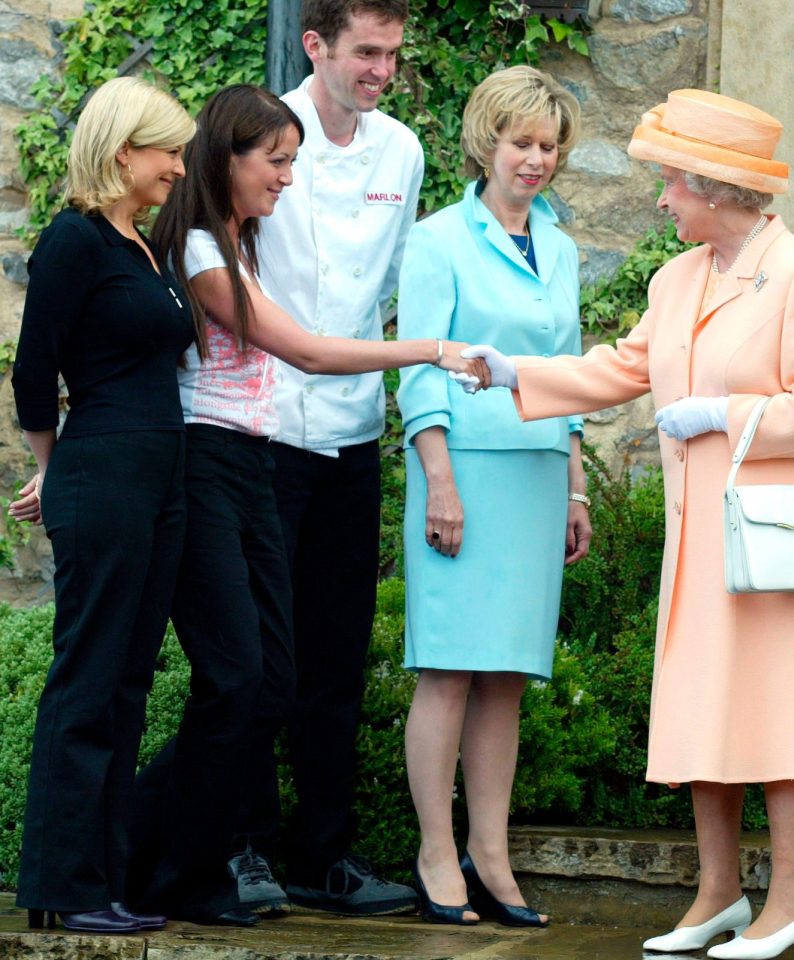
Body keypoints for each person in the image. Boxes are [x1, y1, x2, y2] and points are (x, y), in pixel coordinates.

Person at [465, 89, 794, 959]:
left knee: (784, 711)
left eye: (670, 185)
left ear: (713, 189)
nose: (660, 201)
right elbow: (620, 366)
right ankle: (718, 894)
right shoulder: (676, 277)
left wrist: (723, 414)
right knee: (702, 707)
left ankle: (793, 900)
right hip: (701, 536)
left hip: (773, 533)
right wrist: (510, 374)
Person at [126, 83, 484, 927]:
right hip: (206, 467)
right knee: (241, 681)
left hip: (250, 469)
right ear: (228, 159)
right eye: (276, 162)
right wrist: (434, 349)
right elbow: (310, 354)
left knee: (272, 681)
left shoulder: (239, 247)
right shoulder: (202, 252)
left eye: (293, 160)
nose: (288, 178)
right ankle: (165, 858)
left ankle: (164, 849)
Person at [396, 65, 590, 927]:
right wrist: (438, 480)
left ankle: (491, 851)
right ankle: (436, 850)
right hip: (462, 472)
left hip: (538, 473)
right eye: (521, 143)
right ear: (487, 142)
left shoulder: (562, 245)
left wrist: (577, 486)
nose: (535, 159)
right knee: (446, 668)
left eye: (548, 146)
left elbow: (575, 376)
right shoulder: (437, 239)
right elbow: (421, 371)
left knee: (507, 676)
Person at [8, 77, 196, 934]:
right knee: (87, 678)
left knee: (126, 680)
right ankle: (60, 887)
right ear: (125, 151)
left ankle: (106, 880)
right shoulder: (74, 241)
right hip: (105, 474)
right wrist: (55, 469)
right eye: (169, 152)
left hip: (158, 478)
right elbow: (30, 374)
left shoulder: (143, 247)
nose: (179, 167)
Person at [255, 0, 426, 915]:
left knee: (336, 654)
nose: (382, 72)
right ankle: (240, 847)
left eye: (393, 55)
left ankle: (323, 854)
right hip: (268, 430)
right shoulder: (260, 137)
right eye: (367, 52)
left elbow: (391, 278)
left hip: (354, 430)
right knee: (255, 658)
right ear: (316, 44)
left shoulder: (401, 151)